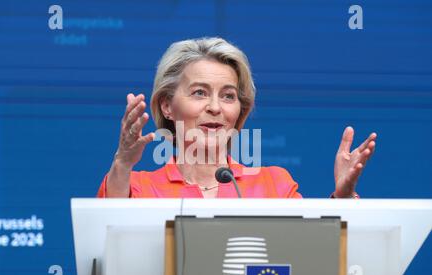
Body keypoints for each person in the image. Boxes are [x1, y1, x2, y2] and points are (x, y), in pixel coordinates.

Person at [97, 37, 376, 199]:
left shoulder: (274, 185)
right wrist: (122, 162)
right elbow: (107, 243)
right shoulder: (140, 188)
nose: (216, 107)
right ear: (167, 106)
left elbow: (314, 257)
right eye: (199, 93)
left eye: (228, 96)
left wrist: (341, 199)